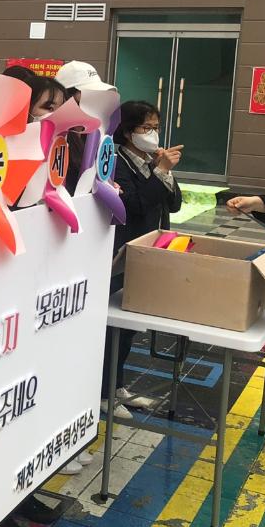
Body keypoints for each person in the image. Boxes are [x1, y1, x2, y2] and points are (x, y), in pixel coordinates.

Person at [106, 100, 183, 418]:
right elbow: (134, 206)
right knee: (113, 325)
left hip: (150, 252)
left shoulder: (152, 161)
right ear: (128, 131)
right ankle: (104, 392)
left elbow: (174, 204)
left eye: (156, 127)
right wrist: (160, 171)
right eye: (146, 127)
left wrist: (164, 170)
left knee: (130, 325)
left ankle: (117, 385)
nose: (153, 134)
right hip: (124, 251)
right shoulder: (117, 162)